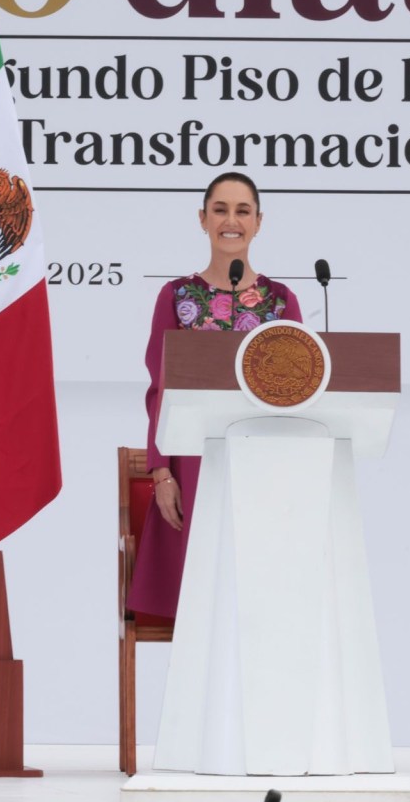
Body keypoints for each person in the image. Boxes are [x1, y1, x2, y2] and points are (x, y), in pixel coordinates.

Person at [127, 172, 302, 618]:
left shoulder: (282, 301)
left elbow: (300, 392)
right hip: (192, 464)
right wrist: (161, 473)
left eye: (243, 211)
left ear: (259, 222)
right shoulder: (176, 297)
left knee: (261, 606)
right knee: (201, 601)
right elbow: (160, 389)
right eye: (220, 210)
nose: (231, 221)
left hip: (263, 467)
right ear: (202, 219)